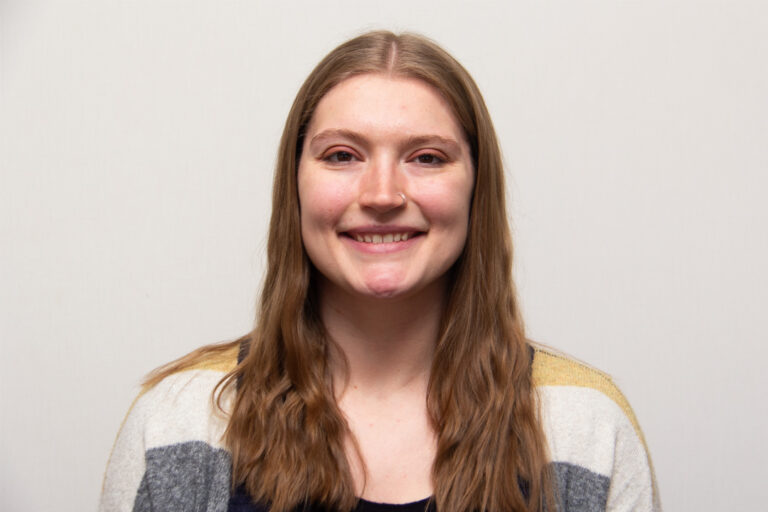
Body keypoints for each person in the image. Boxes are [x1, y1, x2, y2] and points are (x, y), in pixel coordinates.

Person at [99, 31, 661, 512]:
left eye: (427, 157)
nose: (383, 195)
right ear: (294, 186)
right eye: (343, 155)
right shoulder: (179, 426)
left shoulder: (585, 430)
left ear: (476, 189)